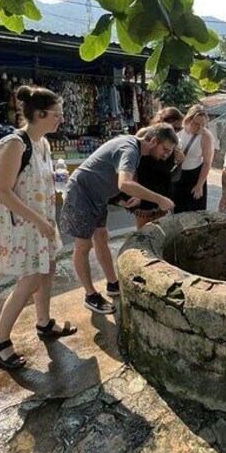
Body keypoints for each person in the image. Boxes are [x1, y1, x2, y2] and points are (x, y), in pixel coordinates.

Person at [0, 85, 74, 370]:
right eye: (57, 114)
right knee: (30, 280)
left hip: (41, 223)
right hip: (23, 225)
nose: (61, 119)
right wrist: (38, 220)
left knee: (45, 271)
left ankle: (44, 323)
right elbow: (2, 191)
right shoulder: (15, 144)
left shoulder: (43, 144)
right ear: (39, 114)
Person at [61, 124, 177, 315]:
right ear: (154, 141)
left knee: (102, 237)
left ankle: (112, 283)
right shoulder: (129, 149)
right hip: (81, 194)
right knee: (83, 246)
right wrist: (159, 199)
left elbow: (113, 176)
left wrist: (128, 197)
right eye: (165, 149)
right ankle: (90, 296)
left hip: (97, 197)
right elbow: (125, 182)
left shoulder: (134, 148)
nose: (166, 155)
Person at [131, 107, 185, 229]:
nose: (176, 131)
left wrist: (180, 161)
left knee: (159, 230)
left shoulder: (173, 141)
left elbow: (171, 170)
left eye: (179, 129)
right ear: (163, 121)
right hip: (145, 185)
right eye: (175, 127)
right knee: (144, 232)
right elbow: (133, 163)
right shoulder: (145, 134)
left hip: (162, 186)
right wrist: (134, 189)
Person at [173, 105, 214, 213]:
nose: (199, 127)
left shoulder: (206, 136)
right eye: (196, 124)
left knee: (195, 212)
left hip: (196, 177)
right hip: (179, 176)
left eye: (202, 124)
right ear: (188, 120)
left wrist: (199, 185)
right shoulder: (179, 133)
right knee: (178, 211)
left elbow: (207, 163)